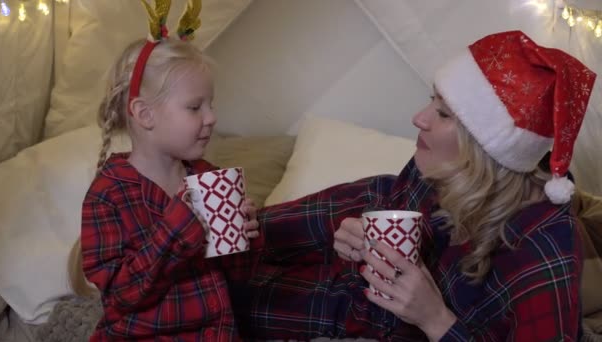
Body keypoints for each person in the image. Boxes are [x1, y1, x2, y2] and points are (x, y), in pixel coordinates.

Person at [228, 30, 597, 341]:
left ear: (486, 149)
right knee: (354, 202)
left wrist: (436, 320)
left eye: (443, 113)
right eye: (431, 101)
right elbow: (383, 202)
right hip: (365, 280)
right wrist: (351, 239)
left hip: (379, 316)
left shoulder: (541, 256)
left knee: (222, 300)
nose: (418, 119)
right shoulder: (441, 168)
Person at [67, 0, 260, 340]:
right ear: (144, 115)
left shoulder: (206, 175)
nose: (212, 117)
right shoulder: (108, 196)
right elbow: (123, 296)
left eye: (211, 105)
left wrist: (247, 236)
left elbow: (235, 279)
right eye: (194, 107)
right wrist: (180, 226)